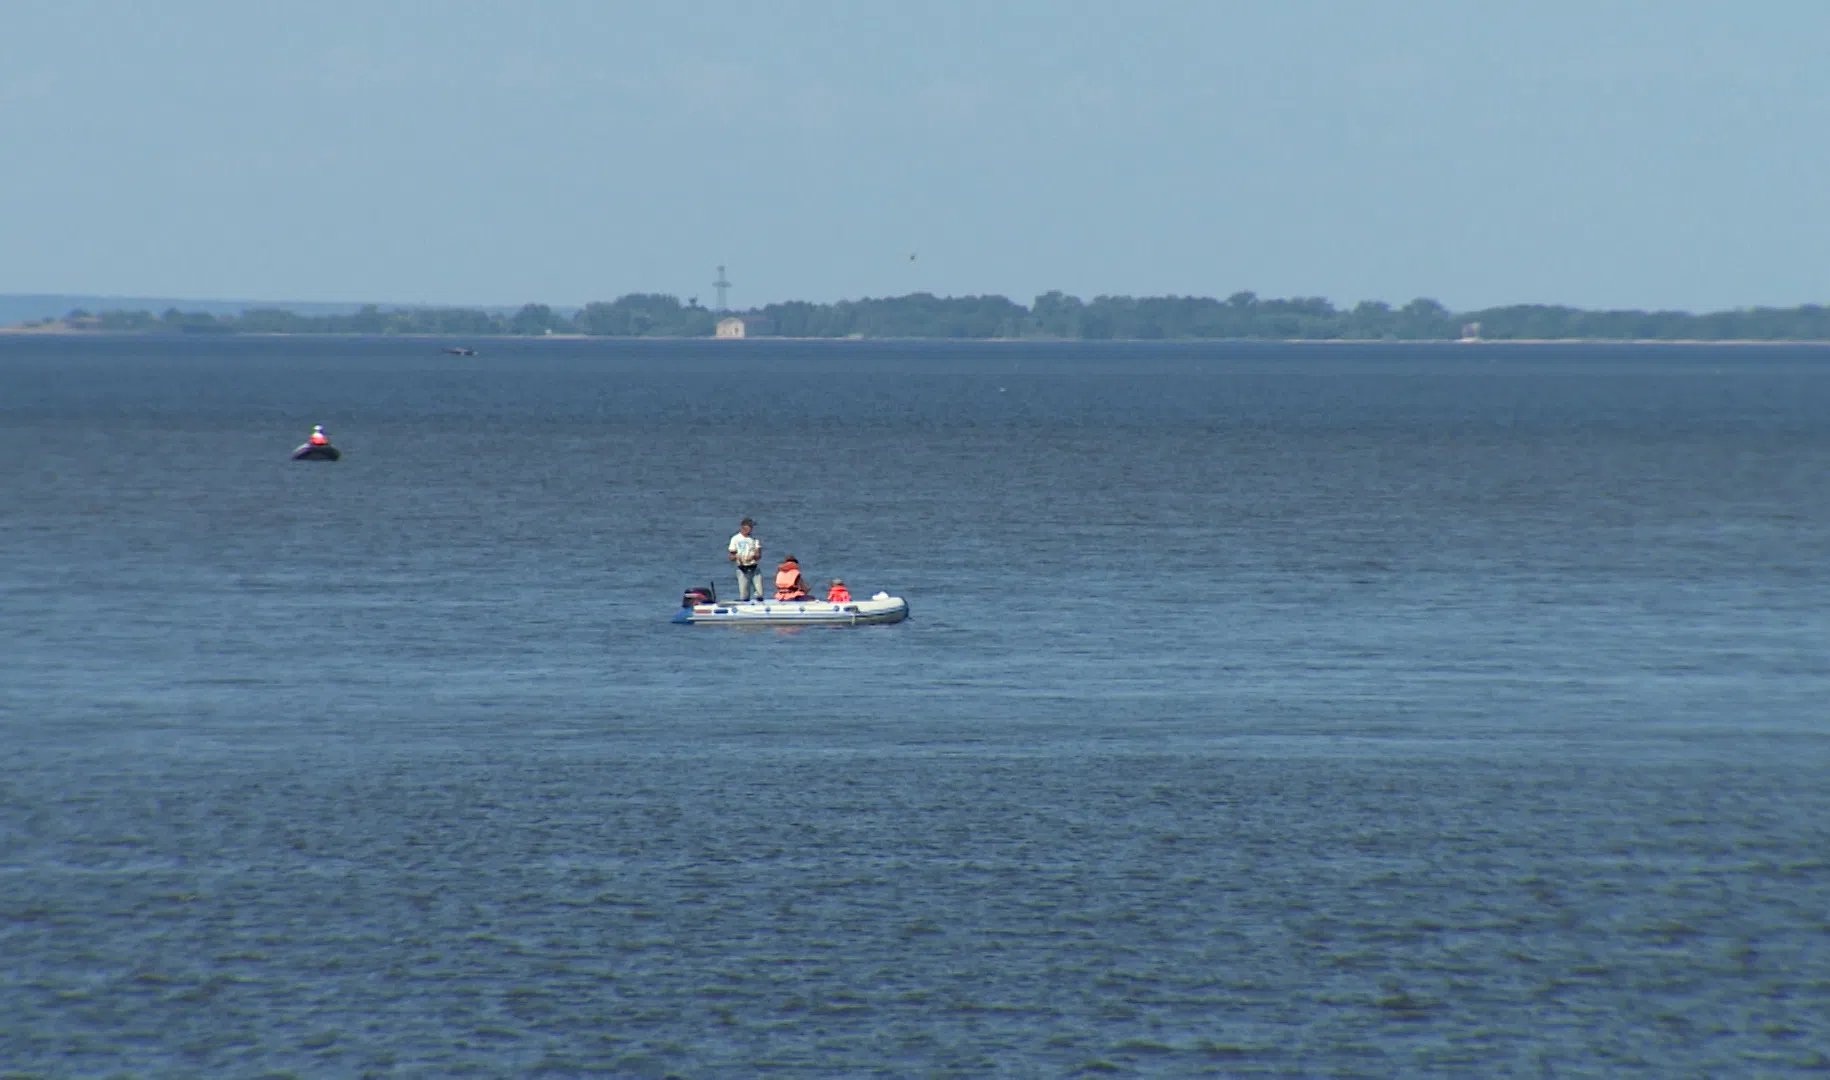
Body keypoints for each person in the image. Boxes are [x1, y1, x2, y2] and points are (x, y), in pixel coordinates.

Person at [727, 518, 765, 601]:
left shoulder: (754, 539)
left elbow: (759, 554)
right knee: (744, 594)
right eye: (750, 526)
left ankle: (759, 605)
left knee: (759, 593)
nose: (751, 529)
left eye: (752, 527)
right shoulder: (735, 539)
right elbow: (731, 556)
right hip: (742, 568)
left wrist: (754, 556)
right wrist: (737, 557)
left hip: (754, 567)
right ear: (744, 527)